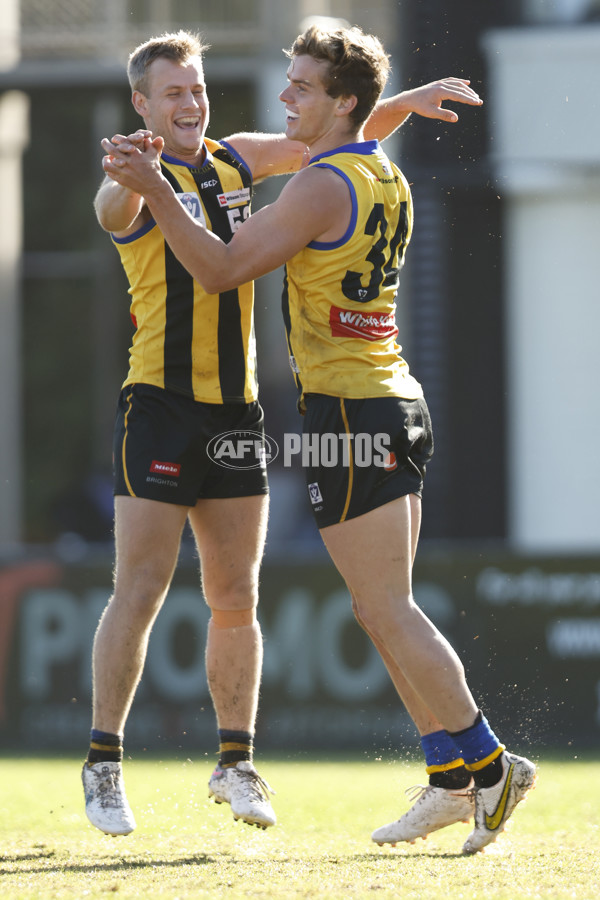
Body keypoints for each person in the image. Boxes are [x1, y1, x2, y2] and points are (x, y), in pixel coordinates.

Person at [104, 23, 537, 855]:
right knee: (379, 612)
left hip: (349, 415)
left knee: (387, 607)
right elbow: (342, 153)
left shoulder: (317, 187)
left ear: (341, 102)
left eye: (301, 85)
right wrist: (394, 107)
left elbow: (224, 268)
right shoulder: (379, 171)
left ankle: (488, 763)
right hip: (397, 403)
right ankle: (450, 782)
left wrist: (159, 193)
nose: (284, 96)